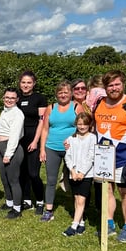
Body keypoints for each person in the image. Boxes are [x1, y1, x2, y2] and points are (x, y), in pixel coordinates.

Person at [93, 70, 126, 243]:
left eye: (117, 84)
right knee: (107, 190)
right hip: (103, 157)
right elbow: (95, 128)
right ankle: (109, 224)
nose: (114, 88)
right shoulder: (99, 102)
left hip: (124, 156)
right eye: (110, 85)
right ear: (105, 87)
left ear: (123, 84)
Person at [38, 81, 82, 222]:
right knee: (51, 180)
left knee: (75, 179)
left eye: (66, 92)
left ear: (71, 94)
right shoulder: (51, 108)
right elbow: (45, 129)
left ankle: (79, 210)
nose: (63, 95)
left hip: (72, 149)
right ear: (56, 94)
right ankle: (49, 210)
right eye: (60, 92)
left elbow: (84, 127)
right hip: (52, 148)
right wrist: (42, 149)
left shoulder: (77, 107)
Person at [17, 70, 47, 214]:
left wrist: (35, 141)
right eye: (23, 82)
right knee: (22, 172)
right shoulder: (16, 98)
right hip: (19, 139)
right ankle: (26, 199)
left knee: (33, 173)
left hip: (33, 137)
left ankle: (40, 201)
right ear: (19, 83)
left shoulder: (39, 98)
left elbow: (42, 122)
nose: (26, 85)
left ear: (34, 83)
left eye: (29, 82)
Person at [63, 112, 96, 236]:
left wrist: (82, 172)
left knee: (81, 200)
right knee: (76, 199)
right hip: (73, 173)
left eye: (85, 124)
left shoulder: (92, 138)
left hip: (86, 174)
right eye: (79, 124)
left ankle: (73, 226)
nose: (82, 127)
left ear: (89, 125)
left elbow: (91, 157)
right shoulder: (71, 138)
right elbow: (68, 156)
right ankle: (81, 223)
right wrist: (72, 170)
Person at [0, 87, 25, 219]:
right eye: (7, 97)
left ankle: (17, 208)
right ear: (3, 97)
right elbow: (1, 132)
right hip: (2, 147)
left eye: (12, 98)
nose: (9, 100)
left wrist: (8, 154)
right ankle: (9, 202)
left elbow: (14, 136)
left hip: (11, 149)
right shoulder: (5, 111)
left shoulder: (17, 114)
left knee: (13, 180)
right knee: (4, 178)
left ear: (17, 99)